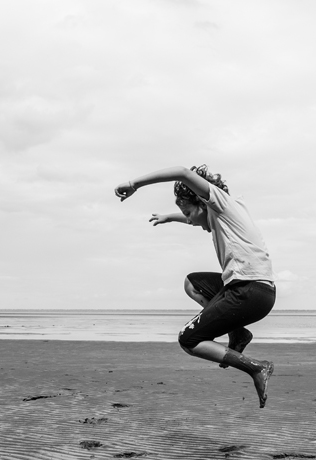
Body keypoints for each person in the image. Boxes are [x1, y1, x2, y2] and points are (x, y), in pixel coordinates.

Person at [114, 165, 277, 408]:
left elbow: (182, 172)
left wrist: (134, 184)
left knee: (189, 339)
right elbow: (194, 219)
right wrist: (170, 217)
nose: (188, 218)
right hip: (256, 290)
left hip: (248, 291)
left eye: (187, 211)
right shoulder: (223, 214)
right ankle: (238, 333)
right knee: (193, 283)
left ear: (202, 201)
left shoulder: (220, 204)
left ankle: (256, 367)